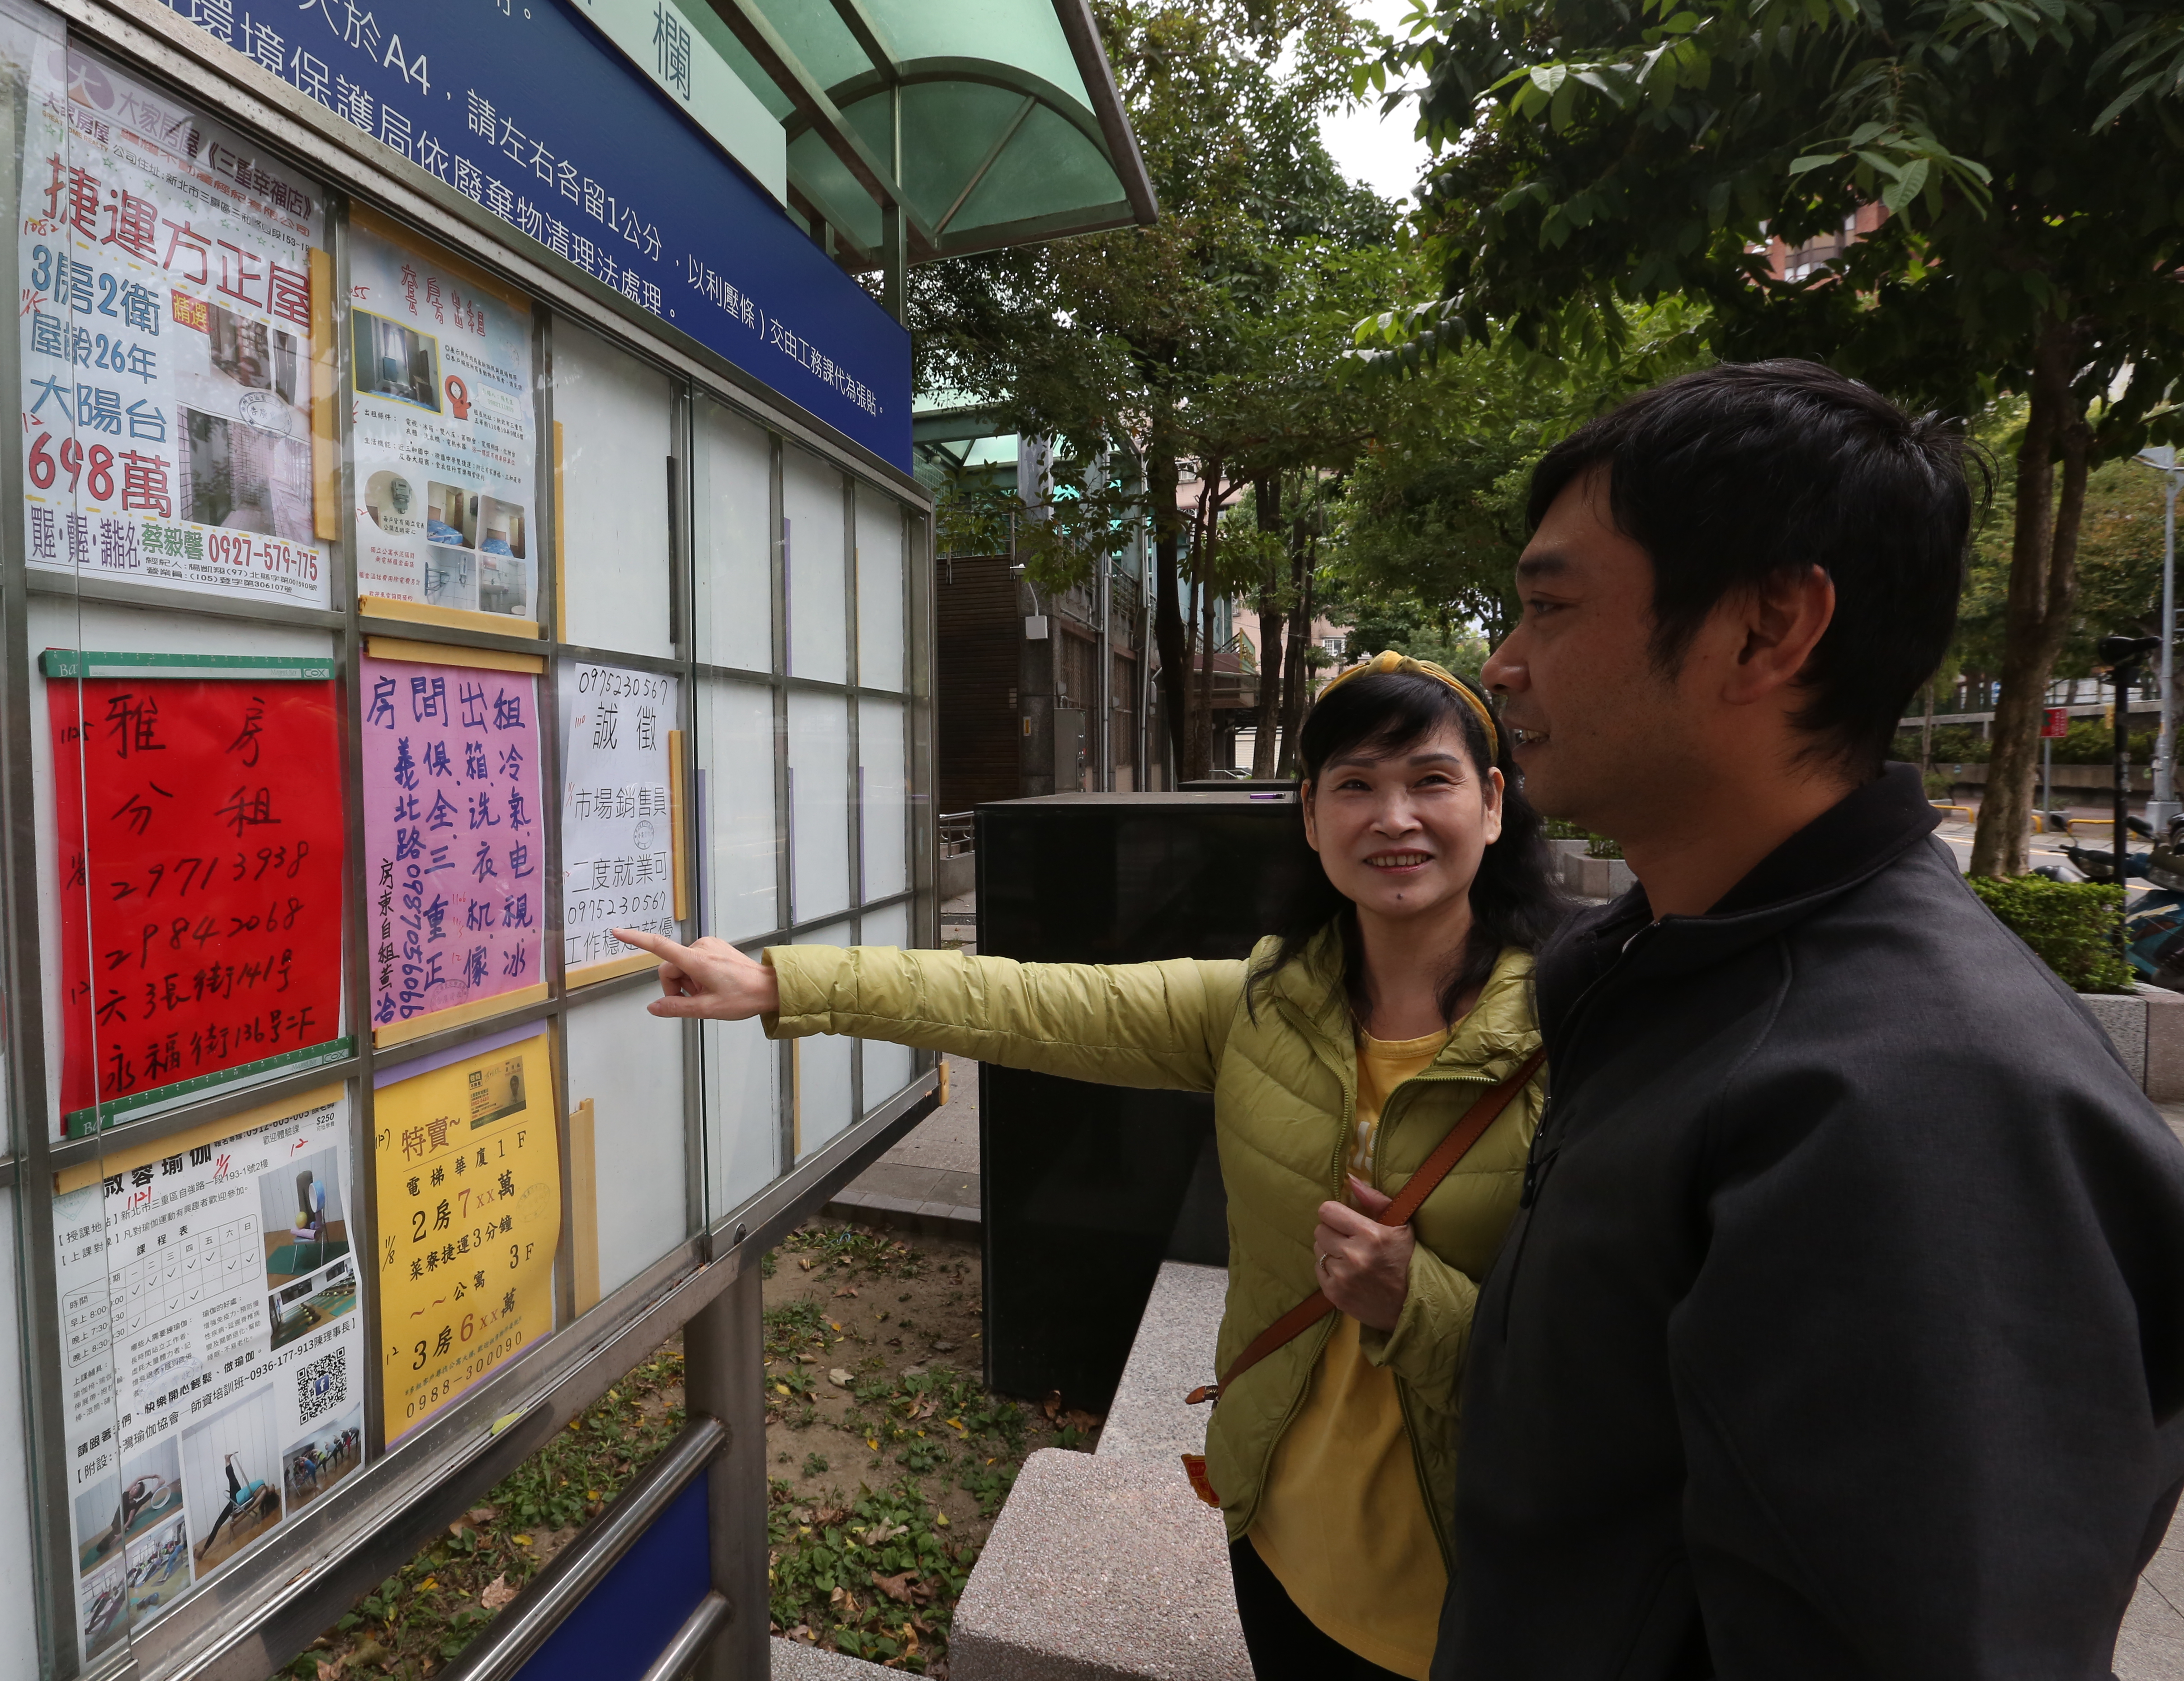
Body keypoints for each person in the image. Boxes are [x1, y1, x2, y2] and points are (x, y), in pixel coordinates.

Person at [1442, 359, 2184, 1677]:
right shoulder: (1678, 977)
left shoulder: (1919, 1106)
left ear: (1768, 630)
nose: (1502, 665)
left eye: (1549, 607)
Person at [617, 657, 1560, 1681]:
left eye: (1430, 781)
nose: (1393, 818)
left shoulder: (1578, 1035)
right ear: (1309, 814)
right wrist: (778, 984)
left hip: (1475, 1582)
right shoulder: (1265, 1004)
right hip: (1277, 1533)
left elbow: (1613, 1359)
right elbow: (1025, 1003)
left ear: (1492, 803)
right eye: (1356, 784)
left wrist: (1414, 1304)